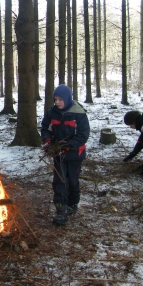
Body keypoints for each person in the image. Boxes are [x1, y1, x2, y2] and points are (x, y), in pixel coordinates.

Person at [41, 84, 90, 226]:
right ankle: (61, 210)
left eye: (60, 99)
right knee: (60, 180)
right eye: (55, 99)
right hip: (58, 153)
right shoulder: (52, 112)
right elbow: (45, 128)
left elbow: (83, 135)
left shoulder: (78, 113)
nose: (57, 102)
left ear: (67, 99)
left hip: (76, 154)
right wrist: (48, 141)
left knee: (72, 180)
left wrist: (68, 145)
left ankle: (73, 204)